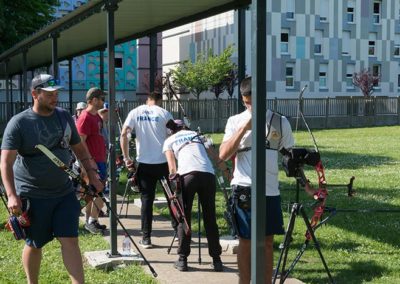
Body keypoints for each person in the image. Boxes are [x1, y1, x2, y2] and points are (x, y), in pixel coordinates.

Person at [0, 74, 104, 284]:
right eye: (49, 94)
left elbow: (80, 149)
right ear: (35, 94)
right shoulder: (19, 123)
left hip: (64, 192)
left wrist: (92, 174)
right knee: (35, 243)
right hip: (32, 194)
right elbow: (5, 163)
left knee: (71, 240)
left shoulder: (64, 116)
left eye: (56, 93)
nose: (54, 97)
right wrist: (11, 195)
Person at [219, 77, 295, 284]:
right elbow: (223, 154)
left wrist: (306, 183)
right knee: (246, 241)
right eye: (246, 102)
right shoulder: (234, 121)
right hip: (244, 188)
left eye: (253, 101)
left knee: (268, 242)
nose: (250, 105)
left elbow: (290, 157)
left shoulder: (280, 122)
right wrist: (245, 128)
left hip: (270, 191)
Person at [163, 119, 223, 272]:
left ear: (172, 130)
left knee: (184, 218)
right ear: (186, 127)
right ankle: (217, 260)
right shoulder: (198, 135)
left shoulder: (169, 140)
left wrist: (174, 189)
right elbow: (215, 156)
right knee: (210, 218)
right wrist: (226, 171)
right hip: (208, 175)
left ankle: (182, 259)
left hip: (186, 176)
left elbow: (172, 167)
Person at [120, 91, 177, 249]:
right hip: (164, 162)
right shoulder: (164, 113)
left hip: (144, 163)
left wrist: (126, 158)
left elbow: (124, 133)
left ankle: (146, 238)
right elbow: (175, 133)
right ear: (159, 100)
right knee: (171, 197)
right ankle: (178, 232)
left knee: (147, 200)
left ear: (147, 99)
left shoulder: (135, 111)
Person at [76, 87, 108, 234]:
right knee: (101, 192)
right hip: (93, 162)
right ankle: (90, 220)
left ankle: (90, 220)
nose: (104, 101)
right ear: (94, 100)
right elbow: (80, 142)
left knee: (92, 193)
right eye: (102, 99)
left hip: (100, 160)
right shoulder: (85, 117)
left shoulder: (96, 117)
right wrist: (89, 162)